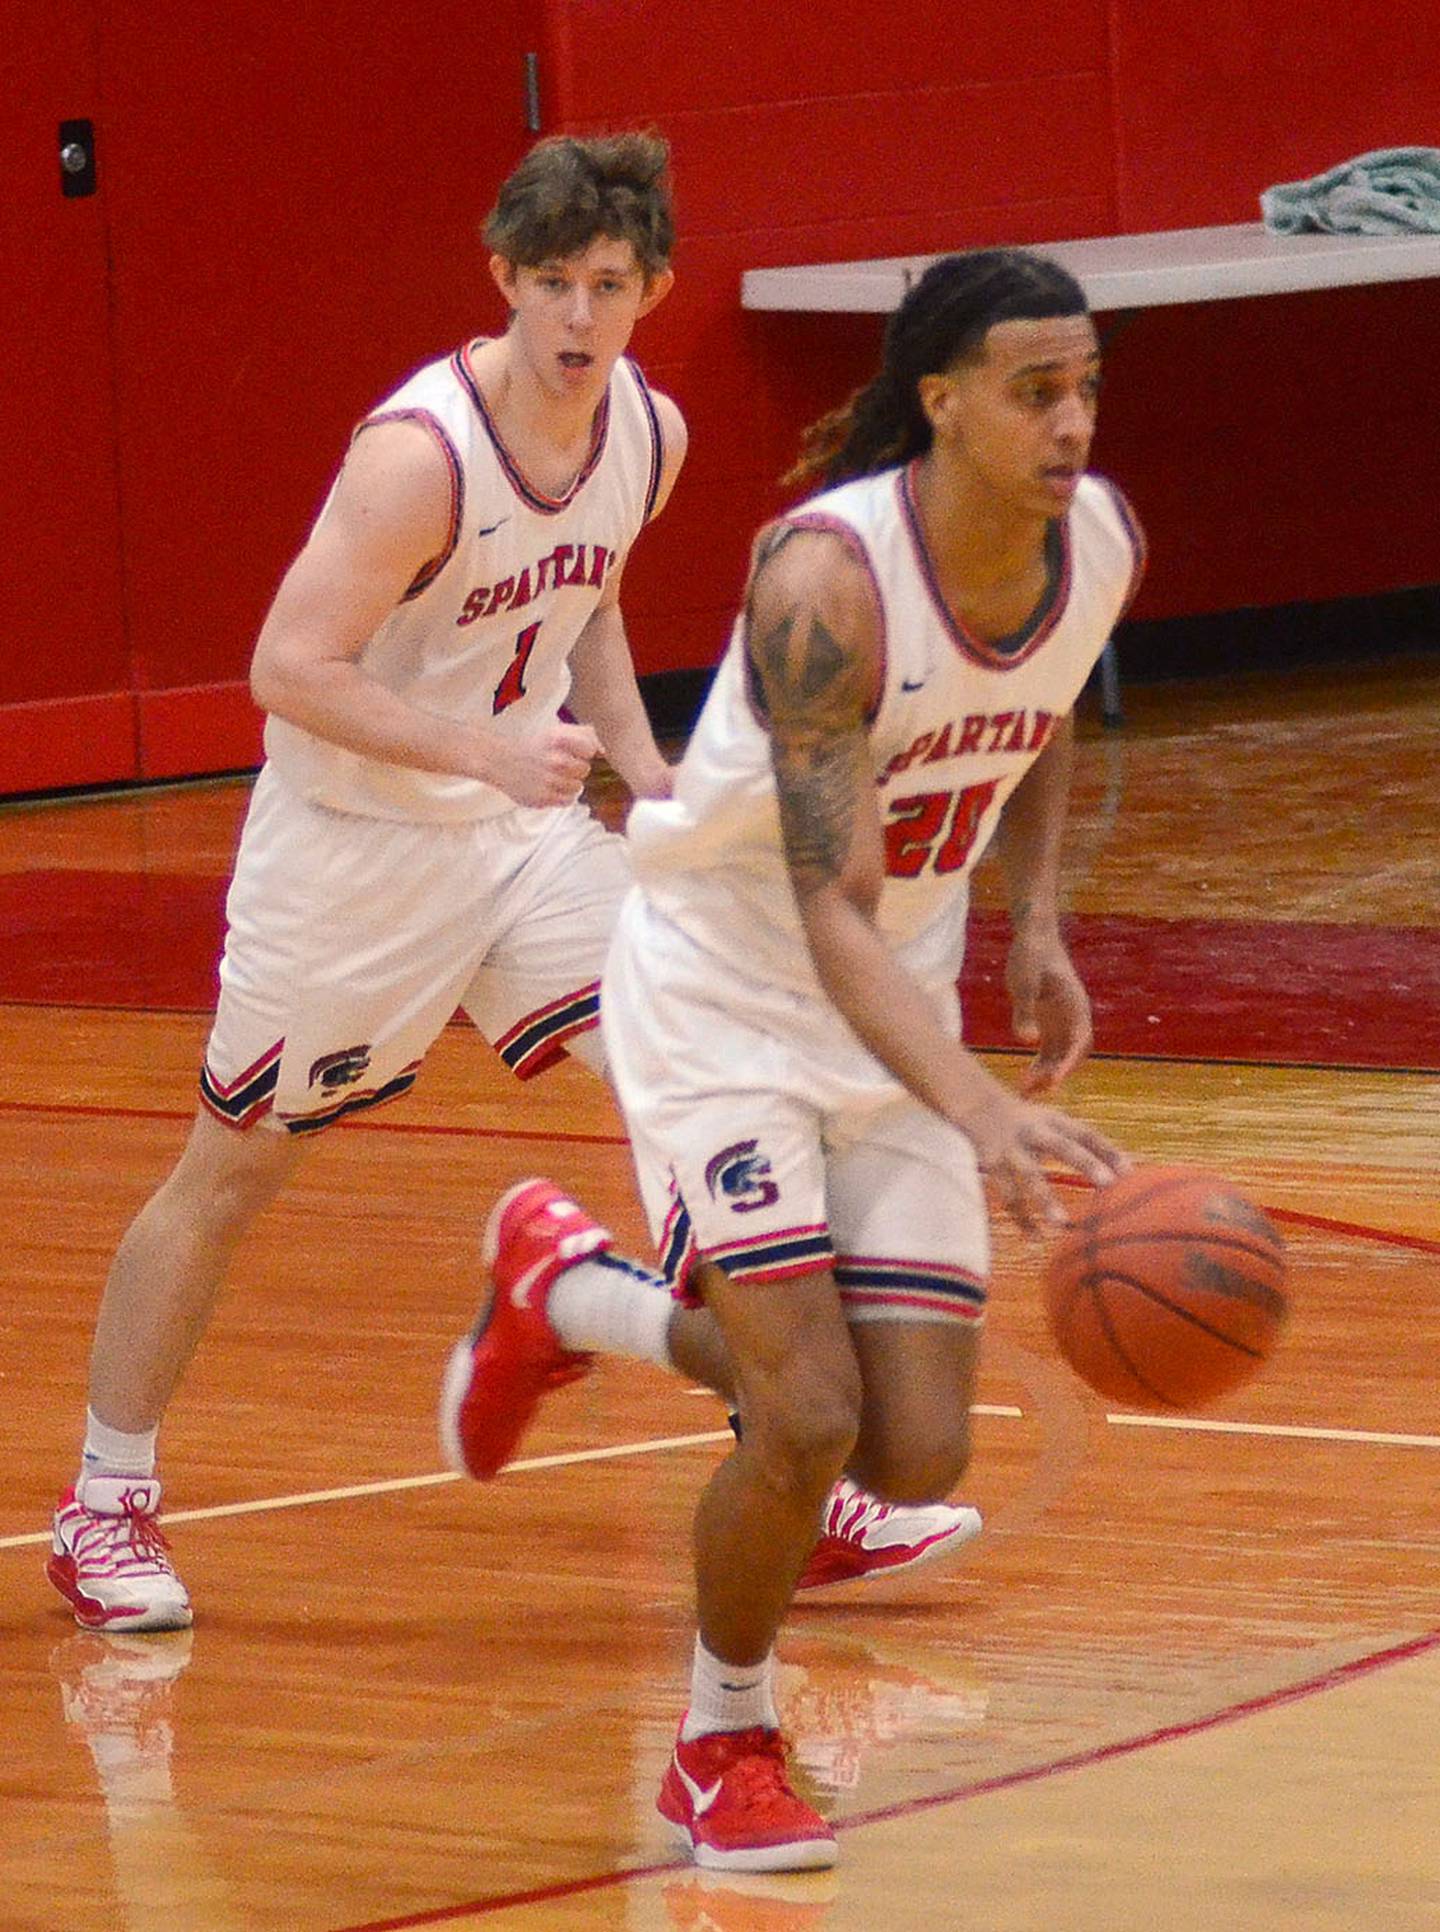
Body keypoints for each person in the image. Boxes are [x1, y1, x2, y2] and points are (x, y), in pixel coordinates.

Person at [47, 132, 975, 1636]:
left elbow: (587, 594)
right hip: (352, 853)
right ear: (504, 279)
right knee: (232, 1172)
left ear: (652, 288)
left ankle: (794, 1472)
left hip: (520, 841)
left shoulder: (648, 432)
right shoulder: (419, 456)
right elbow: (287, 668)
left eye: (607, 284)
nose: (577, 316)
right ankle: (104, 1504)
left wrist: (642, 762)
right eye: (551, 283)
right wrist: (483, 749)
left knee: (708, 1074)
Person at [441, 247, 1143, 1871]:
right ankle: (722, 1743)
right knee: (807, 1412)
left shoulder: (1095, 539)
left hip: (900, 1003)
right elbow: (830, 904)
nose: (1071, 423)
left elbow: (1036, 713)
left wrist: (1036, 923)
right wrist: (975, 1104)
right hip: (728, 1005)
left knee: (914, 1447)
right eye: (1037, 391)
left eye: (1088, 388)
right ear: (941, 401)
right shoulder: (827, 584)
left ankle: (568, 1290)